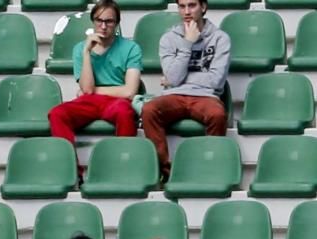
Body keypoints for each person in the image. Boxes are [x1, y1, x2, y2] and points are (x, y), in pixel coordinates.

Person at [48, 0, 143, 179]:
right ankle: (72, 172)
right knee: (57, 114)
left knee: (125, 113)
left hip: (117, 102)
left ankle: (122, 168)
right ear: (93, 22)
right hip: (90, 102)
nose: (103, 26)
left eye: (109, 21)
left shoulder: (131, 48)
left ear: (117, 23)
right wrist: (86, 53)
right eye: (99, 20)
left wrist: (95, 91)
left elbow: (129, 91)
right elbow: (86, 88)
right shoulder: (80, 49)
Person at [142, 0, 230, 182]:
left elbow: (216, 80)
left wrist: (177, 79)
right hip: (174, 96)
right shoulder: (168, 39)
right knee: (149, 110)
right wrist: (188, 43)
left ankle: (210, 172)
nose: (187, 11)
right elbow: (174, 78)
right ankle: (164, 172)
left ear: (203, 7)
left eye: (192, 5)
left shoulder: (220, 38)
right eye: (182, 6)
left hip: (206, 96)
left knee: (217, 114)